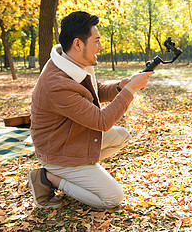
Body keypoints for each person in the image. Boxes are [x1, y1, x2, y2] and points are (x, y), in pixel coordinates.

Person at [28, 11, 154, 209]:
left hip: (70, 140)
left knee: (122, 136)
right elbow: (102, 121)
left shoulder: (69, 61)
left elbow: (92, 91)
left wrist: (120, 86)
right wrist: (130, 90)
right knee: (112, 198)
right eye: (96, 41)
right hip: (58, 152)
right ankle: (50, 177)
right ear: (78, 44)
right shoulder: (57, 84)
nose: (100, 47)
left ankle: (82, 171)